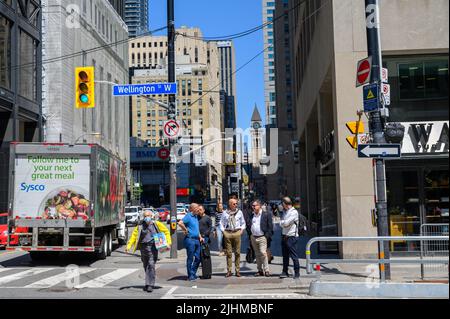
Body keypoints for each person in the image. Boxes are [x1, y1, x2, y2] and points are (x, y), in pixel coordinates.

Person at [126, 210, 171, 292]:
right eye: (145, 216)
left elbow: (166, 232)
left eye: (148, 215)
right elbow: (134, 236)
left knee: (151, 265)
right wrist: (129, 246)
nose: (147, 217)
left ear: (152, 216)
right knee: (145, 265)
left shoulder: (156, 224)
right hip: (143, 248)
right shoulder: (140, 226)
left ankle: (150, 284)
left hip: (152, 247)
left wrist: (168, 242)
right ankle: (147, 283)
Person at [246, 200, 273, 277]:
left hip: (262, 237)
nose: (253, 207)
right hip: (253, 237)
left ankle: (266, 270)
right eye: (253, 206)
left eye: (255, 205)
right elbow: (248, 225)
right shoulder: (251, 215)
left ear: (260, 206)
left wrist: (266, 236)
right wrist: (250, 234)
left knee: (263, 253)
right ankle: (260, 270)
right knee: (257, 254)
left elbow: (270, 227)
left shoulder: (266, 214)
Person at [220, 198, 247, 277]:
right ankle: (229, 270)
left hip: (237, 232)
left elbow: (243, 223)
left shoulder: (239, 212)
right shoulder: (225, 213)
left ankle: (237, 270)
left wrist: (241, 230)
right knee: (229, 253)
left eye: (236, 204)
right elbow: (221, 223)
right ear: (230, 204)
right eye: (234, 204)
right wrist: (223, 232)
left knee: (237, 252)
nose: (236, 205)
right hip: (228, 233)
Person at [178, 203, 202, 282]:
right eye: (197, 208)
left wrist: (200, 237)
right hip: (190, 240)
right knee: (190, 258)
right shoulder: (189, 216)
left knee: (198, 258)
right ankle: (190, 276)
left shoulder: (196, 217)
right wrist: (185, 229)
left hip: (197, 240)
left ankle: (193, 273)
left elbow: (196, 229)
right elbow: (180, 223)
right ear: (193, 209)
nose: (199, 209)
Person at [279, 197, 300, 279]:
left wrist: (283, 223)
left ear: (285, 204)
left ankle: (297, 273)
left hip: (292, 237)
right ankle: (285, 271)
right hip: (284, 236)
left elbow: (286, 223)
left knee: (294, 255)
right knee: (285, 256)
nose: (282, 205)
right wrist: (283, 223)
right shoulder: (286, 212)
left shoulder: (294, 212)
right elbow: (282, 223)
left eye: (282, 204)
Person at [198, 205, 213, 279]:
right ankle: (204, 272)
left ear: (203, 210)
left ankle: (207, 273)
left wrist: (204, 236)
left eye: (200, 209)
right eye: (198, 210)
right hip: (198, 238)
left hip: (205, 238)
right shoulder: (197, 218)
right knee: (200, 255)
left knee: (205, 255)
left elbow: (210, 228)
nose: (199, 211)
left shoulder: (207, 218)